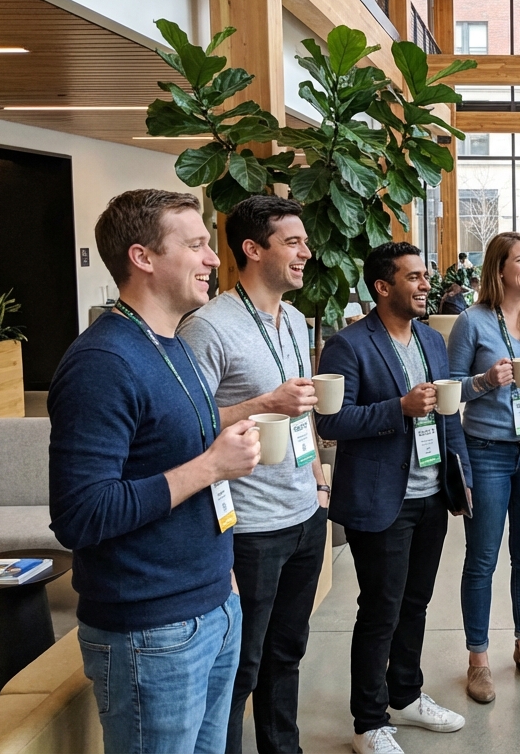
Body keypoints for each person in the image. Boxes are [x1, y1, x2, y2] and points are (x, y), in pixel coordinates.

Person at [49, 189, 260, 754]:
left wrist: (223, 580)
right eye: (195, 245)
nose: (213, 259)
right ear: (143, 257)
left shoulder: (173, 343)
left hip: (213, 606)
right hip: (151, 632)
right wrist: (211, 465)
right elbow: (80, 514)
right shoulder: (102, 362)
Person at [178, 195, 327, 754]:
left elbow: (301, 411)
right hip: (248, 527)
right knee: (241, 667)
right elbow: (186, 424)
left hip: (305, 513)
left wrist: (319, 483)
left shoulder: (294, 320)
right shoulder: (208, 327)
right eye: (293, 242)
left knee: (287, 655)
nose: (306, 253)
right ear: (252, 249)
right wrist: (264, 402)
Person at [315, 242, 471, 754]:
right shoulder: (348, 345)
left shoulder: (431, 340)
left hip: (431, 494)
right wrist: (397, 408)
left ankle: (405, 695)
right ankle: (368, 723)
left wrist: (462, 475)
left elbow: (448, 415)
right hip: (380, 500)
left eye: (425, 276)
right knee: (381, 610)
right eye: (414, 277)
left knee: (416, 604)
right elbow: (330, 422)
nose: (426, 285)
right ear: (383, 287)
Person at [446, 232, 520, 704]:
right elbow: (452, 388)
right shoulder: (471, 322)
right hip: (487, 453)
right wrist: (484, 380)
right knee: (482, 559)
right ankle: (478, 660)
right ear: (499, 269)